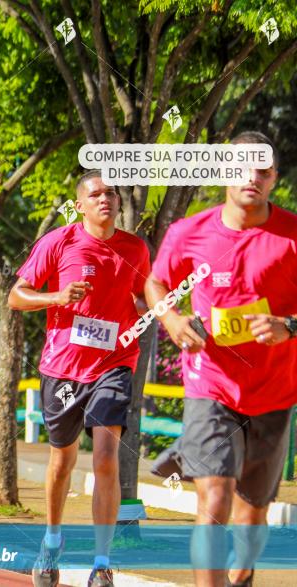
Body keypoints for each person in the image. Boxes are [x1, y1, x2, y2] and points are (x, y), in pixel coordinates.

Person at [146, 131, 297, 587]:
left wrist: (288, 326)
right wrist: (170, 319)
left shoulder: (292, 236)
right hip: (210, 385)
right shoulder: (188, 232)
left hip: (274, 391)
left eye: (262, 169)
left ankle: (243, 573)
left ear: (273, 178)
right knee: (213, 500)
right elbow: (156, 284)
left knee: (252, 516)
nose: (251, 176)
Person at [8, 169, 150, 587]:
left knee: (106, 456)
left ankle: (101, 564)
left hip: (115, 361)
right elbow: (16, 296)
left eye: (110, 194)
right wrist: (54, 296)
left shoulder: (135, 248)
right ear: (81, 205)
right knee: (62, 460)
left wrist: (155, 309)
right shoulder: (59, 241)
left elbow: (144, 296)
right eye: (95, 194)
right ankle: (51, 542)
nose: (104, 199)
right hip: (63, 369)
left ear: (119, 203)